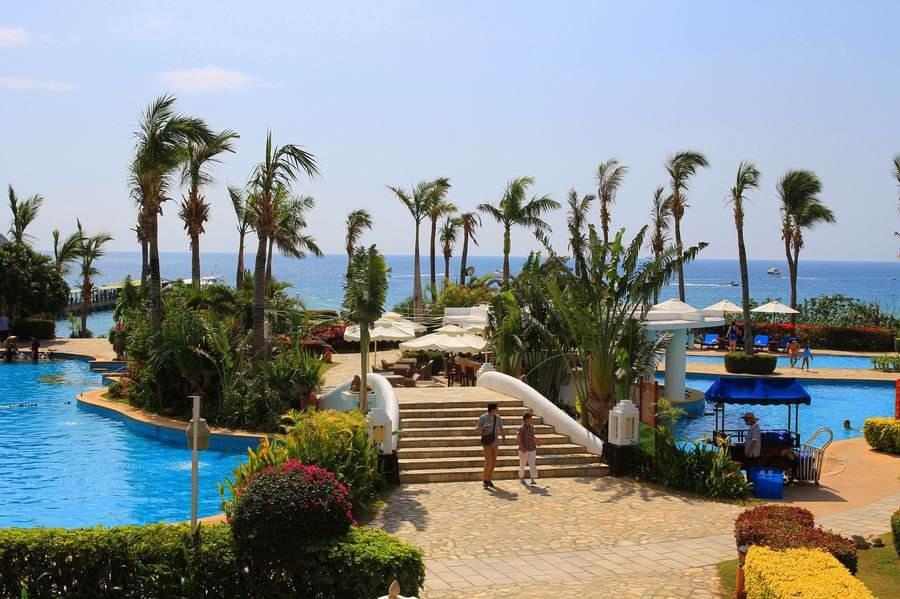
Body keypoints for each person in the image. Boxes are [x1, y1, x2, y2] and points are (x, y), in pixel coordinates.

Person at [476, 402, 505, 489]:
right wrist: (483, 427)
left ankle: (489, 479)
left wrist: (504, 437)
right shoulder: (483, 417)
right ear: (492, 409)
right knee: (489, 461)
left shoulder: (498, 418)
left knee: (493, 462)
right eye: (496, 408)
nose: (497, 410)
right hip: (486, 441)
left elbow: (501, 428)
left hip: (495, 441)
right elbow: (477, 429)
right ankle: (485, 480)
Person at [517, 412, 541, 486]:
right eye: (530, 418)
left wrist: (537, 441)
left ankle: (532, 479)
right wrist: (522, 447)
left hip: (532, 448)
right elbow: (518, 438)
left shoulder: (531, 427)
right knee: (522, 464)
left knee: (532, 464)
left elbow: (532, 436)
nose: (531, 420)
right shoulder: (521, 428)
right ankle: (521, 478)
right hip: (523, 449)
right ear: (526, 419)